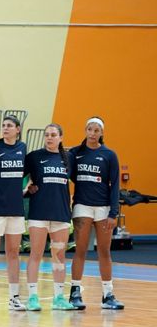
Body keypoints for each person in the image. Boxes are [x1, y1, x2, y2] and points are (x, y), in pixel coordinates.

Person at [69, 117, 123, 310]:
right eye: (89, 129)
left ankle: (108, 294)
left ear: (101, 133)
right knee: (81, 249)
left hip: (103, 208)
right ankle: (75, 293)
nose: (92, 133)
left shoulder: (109, 155)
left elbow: (115, 184)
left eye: (96, 130)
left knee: (104, 251)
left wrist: (113, 213)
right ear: (85, 130)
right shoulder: (75, 153)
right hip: (82, 205)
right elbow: (70, 176)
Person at [25, 123, 73, 311]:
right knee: (35, 254)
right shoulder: (35, 157)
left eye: (53, 135)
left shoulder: (69, 158)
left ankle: (59, 297)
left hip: (61, 215)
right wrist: (27, 189)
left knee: (59, 255)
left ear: (61, 137)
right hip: (39, 214)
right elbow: (17, 177)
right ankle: (32, 297)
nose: (50, 138)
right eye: (47, 135)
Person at [0, 114, 27, 311]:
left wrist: (29, 188)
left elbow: (28, 171)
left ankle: (14, 297)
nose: (5, 128)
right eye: (3, 125)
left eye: (9, 126)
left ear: (18, 129)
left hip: (16, 210)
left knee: (13, 253)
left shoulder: (23, 148)